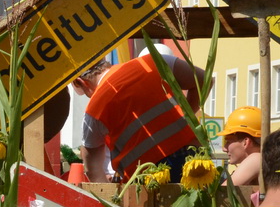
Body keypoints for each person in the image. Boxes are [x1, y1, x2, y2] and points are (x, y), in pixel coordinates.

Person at [81, 46, 203, 180]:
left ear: (81, 82)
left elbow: (92, 169)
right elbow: (202, 80)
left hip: (145, 180)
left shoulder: (93, 111)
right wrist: (186, 116)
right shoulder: (151, 62)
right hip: (192, 159)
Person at [221, 106, 263, 187]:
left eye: (228, 142)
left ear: (245, 142)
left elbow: (224, 192)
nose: (224, 148)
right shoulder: (264, 158)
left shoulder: (256, 158)